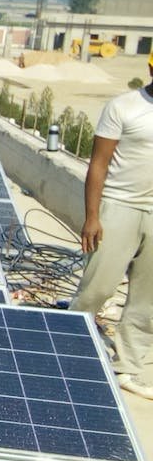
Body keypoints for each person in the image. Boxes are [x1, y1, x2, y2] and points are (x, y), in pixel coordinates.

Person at [70, 51, 153, 397]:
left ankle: (132, 367)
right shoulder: (124, 107)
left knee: (146, 300)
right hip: (119, 207)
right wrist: (92, 216)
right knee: (98, 287)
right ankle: (68, 345)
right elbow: (99, 165)